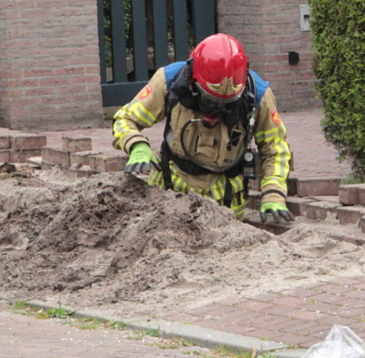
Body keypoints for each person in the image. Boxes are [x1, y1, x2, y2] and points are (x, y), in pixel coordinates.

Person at [112, 33, 293, 224]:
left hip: (227, 203)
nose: (216, 112)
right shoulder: (170, 81)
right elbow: (124, 119)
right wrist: (137, 145)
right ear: (194, 83)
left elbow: (275, 149)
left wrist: (274, 193)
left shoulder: (258, 95)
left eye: (227, 104)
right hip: (169, 195)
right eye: (210, 100)